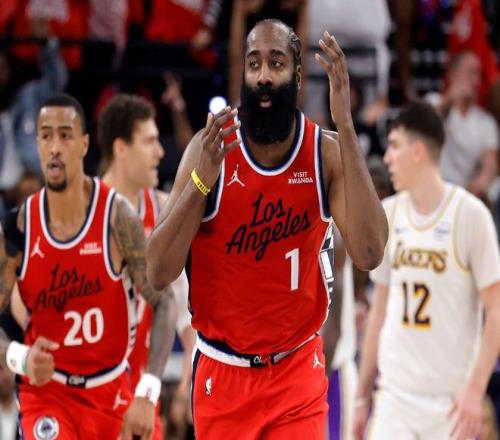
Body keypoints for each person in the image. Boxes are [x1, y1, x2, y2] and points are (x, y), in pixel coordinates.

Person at [147, 19, 388, 438]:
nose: (262, 76)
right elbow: (157, 271)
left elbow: (370, 253)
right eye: (253, 63)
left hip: (296, 372)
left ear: (297, 75)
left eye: (276, 63)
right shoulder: (210, 149)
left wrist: (346, 126)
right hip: (223, 372)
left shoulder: (325, 153)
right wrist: (202, 181)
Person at [0, 93, 177, 439]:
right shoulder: (18, 228)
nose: (55, 147)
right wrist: (19, 357)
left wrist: (148, 390)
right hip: (47, 394)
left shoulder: (117, 217)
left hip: (111, 391)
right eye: (46, 136)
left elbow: (165, 300)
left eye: (64, 135)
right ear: (37, 145)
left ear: (83, 145)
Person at [353, 101, 500, 440]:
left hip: (450, 403)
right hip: (395, 396)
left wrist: (476, 389)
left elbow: (495, 309)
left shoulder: (470, 215)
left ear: (418, 151)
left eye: (394, 146)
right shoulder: (388, 214)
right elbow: (379, 311)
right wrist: (362, 395)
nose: (387, 158)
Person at [98, 93, 196, 439]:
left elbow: (185, 314)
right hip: (84, 395)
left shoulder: (164, 215)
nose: (160, 152)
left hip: (140, 396)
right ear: (121, 148)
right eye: (150, 141)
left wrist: (185, 381)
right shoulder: (81, 214)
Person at [426, 51, 498, 201]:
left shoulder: (486, 121)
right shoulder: (433, 101)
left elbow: (490, 162)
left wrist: (480, 184)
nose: (476, 80)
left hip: (468, 191)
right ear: (452, 74)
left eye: (478, 74)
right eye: (470, 73)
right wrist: (450, 99)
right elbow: (425, 128)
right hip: (437, 186)